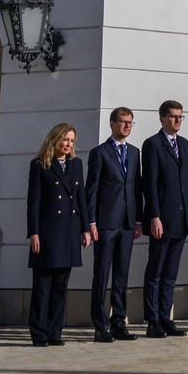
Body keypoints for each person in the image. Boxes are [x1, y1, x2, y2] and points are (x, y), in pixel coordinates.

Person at [26, 123, 89, 347]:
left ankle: (55, 333)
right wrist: (33, 232)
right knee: (43, 286)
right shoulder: (40, 165)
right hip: (48, 232)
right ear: (55, 140)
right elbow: (33, 202)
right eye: (65, 140)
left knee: (61, 286)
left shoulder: (76, 164)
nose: (68, 144)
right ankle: (38, 333)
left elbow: (81, 197)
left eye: (72, 140)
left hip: (69, 231)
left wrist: (85, 228)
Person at [83, 107, 140, 342]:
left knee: (121, 275)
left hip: (127, 223)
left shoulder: (135, 152)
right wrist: (91, 222)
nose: (127, 126)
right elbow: (92, 189)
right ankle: (100, 324)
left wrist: (138, 220)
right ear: (112, 123)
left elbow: (136, 188)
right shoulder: (100, 152)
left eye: (130, 123)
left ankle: (119, 322)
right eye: (123, 122)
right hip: (106, 222)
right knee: (102, 274)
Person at [140, 100, 188, 337]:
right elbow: (149, 183)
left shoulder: (183, 144)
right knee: (156, 271)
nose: (177, 121)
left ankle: (165, 316)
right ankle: (152, 320)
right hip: (162, 217)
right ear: (162, 118)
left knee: (171, 272)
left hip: (181, 217)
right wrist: (154, 215)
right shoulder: (153, 144)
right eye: (173, 117)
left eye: (180, 117)